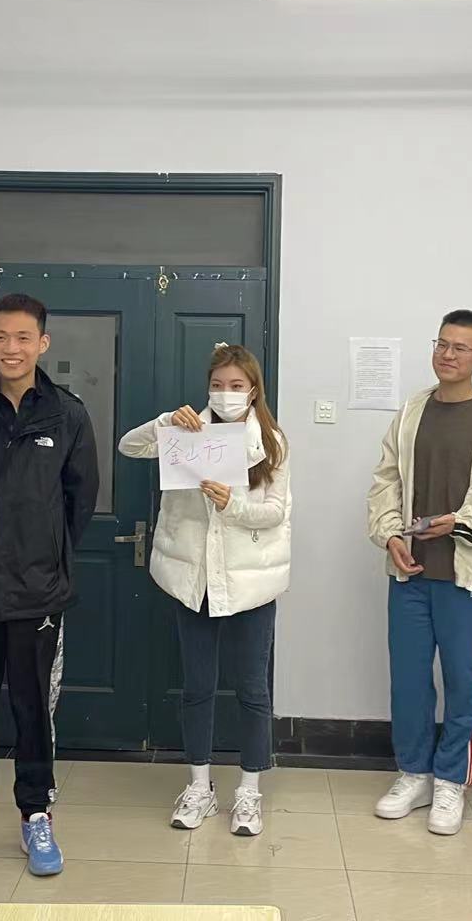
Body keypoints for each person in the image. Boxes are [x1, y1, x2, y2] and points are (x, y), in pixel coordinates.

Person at [0, 292, 99, 880]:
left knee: (34, 710)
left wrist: (42, 553)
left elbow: (80, 501)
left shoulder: (68, 416)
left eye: (24, 338)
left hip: (38, 594)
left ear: (42, 344)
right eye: (1, 337)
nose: (12, 348)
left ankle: (36, 815)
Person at [118, 343, 291, 838]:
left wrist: (232, 505)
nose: (226, 393)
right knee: (197, 687)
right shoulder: (187, 431)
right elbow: (128, 447)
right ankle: (199, 786)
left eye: (236, 386)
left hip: (249, 583)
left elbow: (275, 512)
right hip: (194, 581)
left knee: (252, 689)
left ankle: (249, 791)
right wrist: (163, 423)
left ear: (253, 390)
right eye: (218, 385)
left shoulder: (272, 441)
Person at [366, 309, 472, 836]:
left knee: (464, 684)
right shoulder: (412, 412)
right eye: (442, 344)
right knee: (409, 681)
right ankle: (414, 774)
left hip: (469, 579)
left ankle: (451, 780)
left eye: (461, 347)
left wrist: (458, 522)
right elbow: (386, 480)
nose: (448, 354)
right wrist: (390, 534)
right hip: (411, 573)